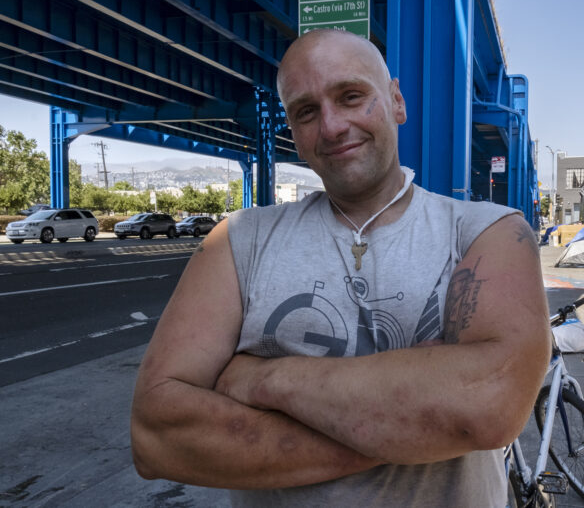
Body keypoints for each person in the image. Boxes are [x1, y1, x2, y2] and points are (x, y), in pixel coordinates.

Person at [131, 29, 551, 507]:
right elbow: (157, 434)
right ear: (291, 128)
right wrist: (412, 425)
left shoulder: (488, 230)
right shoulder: (237, 240)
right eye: (306, 111)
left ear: (396, 102)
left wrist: (262, 380)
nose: (331, 127)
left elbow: (486, 406)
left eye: (351, 96)